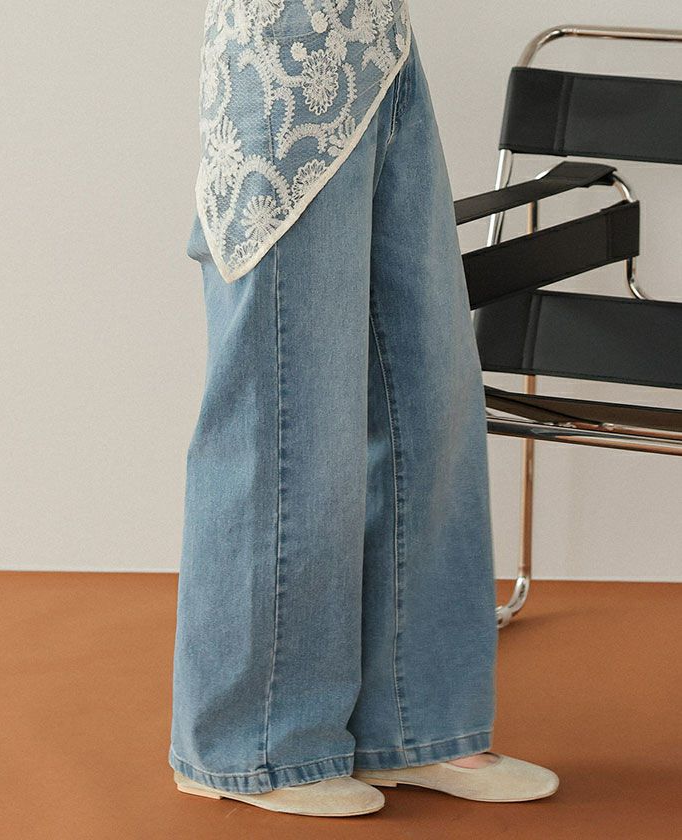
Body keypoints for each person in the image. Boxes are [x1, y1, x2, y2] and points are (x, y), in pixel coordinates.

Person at [168, 0, 559, 817]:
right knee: (286, 410)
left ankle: (415, 725)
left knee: (426, 393)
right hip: (284, 51)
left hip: (382, 46)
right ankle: (254, 744)